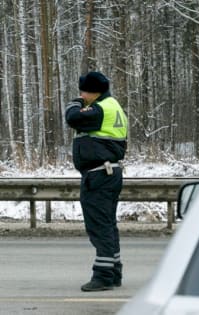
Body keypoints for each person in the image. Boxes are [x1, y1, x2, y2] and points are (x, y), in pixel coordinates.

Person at [65, 71, 128, 292]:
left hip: (99, 175)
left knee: (99, 226)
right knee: (108, 224)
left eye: (83, 91)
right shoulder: (112, 105)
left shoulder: (101, 108)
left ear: (93, 92)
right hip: (107, 173)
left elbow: (72, 118)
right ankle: (114, 271)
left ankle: (102, 276)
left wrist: (75, 103)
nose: (81, 95)